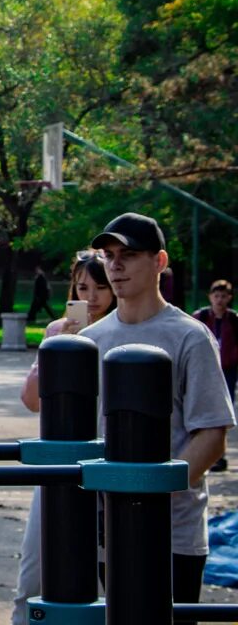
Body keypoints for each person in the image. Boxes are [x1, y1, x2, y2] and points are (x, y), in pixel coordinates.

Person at [81, 213, 235, 612]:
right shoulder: (88, 340)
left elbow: (212, 435)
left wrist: (145, 493)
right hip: (106, 529)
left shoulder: (189, 336)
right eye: (109, 255)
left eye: (128, 255)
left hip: (174, 533)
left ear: (159, 262)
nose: (115, 266)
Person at [11, 250, 116, 625]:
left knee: (104, 575)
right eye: (82, 287)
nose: (91, 298)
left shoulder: (124, 331)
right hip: (59, 461)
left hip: (108, 461)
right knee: (36, 565)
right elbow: (30, 400)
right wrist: (57, 352)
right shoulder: (58, 330)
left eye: (101, 287)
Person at [193, 279, 238, 471]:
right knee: (201, 408)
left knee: (221, 412)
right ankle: (201, 453)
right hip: (203, 367)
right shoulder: (201, 317)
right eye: (216, 296)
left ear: (229, 298)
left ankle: (219, 456)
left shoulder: (234, 320)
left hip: (227, 369)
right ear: (210, 297)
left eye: (223, 296)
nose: (219, 300)